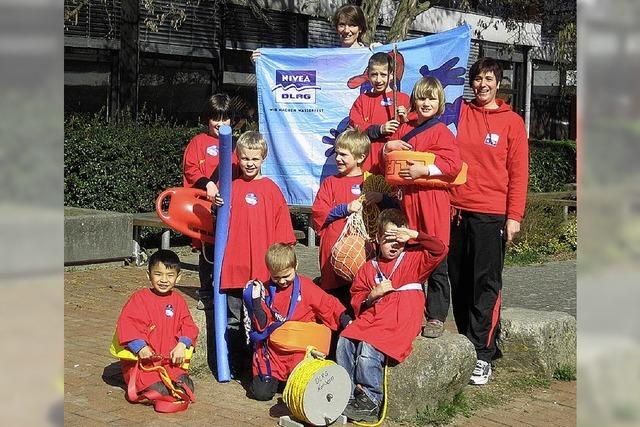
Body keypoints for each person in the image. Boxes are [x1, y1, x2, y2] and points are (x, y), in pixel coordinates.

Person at [447, 57, 529, 385]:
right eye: (478, 79)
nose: (483, 85)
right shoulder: (459, 112)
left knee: (485, 285)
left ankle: (483, 353)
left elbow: (519, 174)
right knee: (459, 282)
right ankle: (468, 342)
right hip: (455, 212)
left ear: (498, 83)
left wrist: (514, 217)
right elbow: (424, 114)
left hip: (491, 215)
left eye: (489, 79)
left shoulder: (512, 122)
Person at [337, 208, 446, 423]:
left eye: (399, 240)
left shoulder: (415, 259)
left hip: (401, 316)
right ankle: (345, 393)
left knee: (370, 346)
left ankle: (370, 400)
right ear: (377, 238)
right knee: (345, 339)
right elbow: (357, 297)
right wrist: (372, 295)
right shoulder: (369, 268)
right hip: (375, 314)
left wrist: (415, 235)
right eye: (388, 239)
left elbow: (440, 249)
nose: (394, 245)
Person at [214, 131, 297, 378]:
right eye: (245, 158)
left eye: (255, 158)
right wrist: (214, 206)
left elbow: (284, 237)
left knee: (259, 321)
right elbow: (215, 225)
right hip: (233, 267)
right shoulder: (228, 187)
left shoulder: (272, 190)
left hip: (262, 271)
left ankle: (259, 367)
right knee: (233, 321)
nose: (249, 163)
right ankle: (236, 367)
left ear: (264, 159)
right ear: (237, 157)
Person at [384, 76, 462, 339]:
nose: (426, 102)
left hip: (433, 201)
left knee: (436, 255)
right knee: (411, 255)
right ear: (414, 100)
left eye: (432, 98)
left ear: (439, 102)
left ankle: (437, 316)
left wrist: (424, 170)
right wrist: (387, 147)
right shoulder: (405, 128)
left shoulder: (442, 131)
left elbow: (453, 165)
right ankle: (412, 310)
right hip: (408, 201)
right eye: (422, 97)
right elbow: (388, 162)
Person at [243, 243, 351, 401]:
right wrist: (256, 305)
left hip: (301, 352)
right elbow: (261, 326)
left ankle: (287, 381)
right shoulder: (263, 291)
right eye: (276, 277)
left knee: (303, 392)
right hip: (273, 354)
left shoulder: (307, 287)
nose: (282, 281)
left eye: (287, 276)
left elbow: (329, 304)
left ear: (296, 266)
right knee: (262, 394)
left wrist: (345, 319)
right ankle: (269, 379)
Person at [311, 129, 388, 307]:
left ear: (360, 157)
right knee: (334, 301)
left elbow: (393, 212)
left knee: (361, 294)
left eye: (343, 155)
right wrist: (345, 209)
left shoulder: (372, 181)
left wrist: (382, 198)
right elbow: (319, 213)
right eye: (337, 153)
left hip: (363, 251)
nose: (338, 158)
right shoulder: (330, 182)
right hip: (333, 251)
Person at [115, 250, 199, 407]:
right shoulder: (139, 299)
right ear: (149, 275)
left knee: (187, 386)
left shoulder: (178, 301)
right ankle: (149, 390)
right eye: (158, 274)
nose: (164, 280)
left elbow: (189, 325)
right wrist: (140, 347)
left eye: (170, 275)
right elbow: (128, 325)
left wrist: (182, 344)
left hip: (169, 364)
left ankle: (167, 387)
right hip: (144, 367)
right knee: (161, 391)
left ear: (178, 277)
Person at [182, 93, 236, 310]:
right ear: (207, 119)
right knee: (208, 251)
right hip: (206, 206)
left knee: (231, 249)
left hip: (230, 207)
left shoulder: (237, 145)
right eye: (215, 118)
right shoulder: (198, 142)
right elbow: (191, 168)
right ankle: (206, 292)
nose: (220, 123)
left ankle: (228, 290)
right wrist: (208, 185)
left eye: (224, 118)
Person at [349, 52, 410, 175]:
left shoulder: (404, 99)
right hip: (368, 163)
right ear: (368, 75)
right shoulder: (363, 99)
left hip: (394, 164)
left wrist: (405, 119)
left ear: (391, 75)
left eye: (383, 75)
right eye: (374, 75)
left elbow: (415, 131)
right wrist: (380, 129)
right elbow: (355, 127)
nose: (378, 80)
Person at [251, 4, 377, 62]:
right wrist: (263, 61)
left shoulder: (372, 54)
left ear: (361, 28)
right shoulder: (326, 57)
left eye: (352, 25)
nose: (346, 30)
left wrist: (383, 52)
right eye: (342, 25)